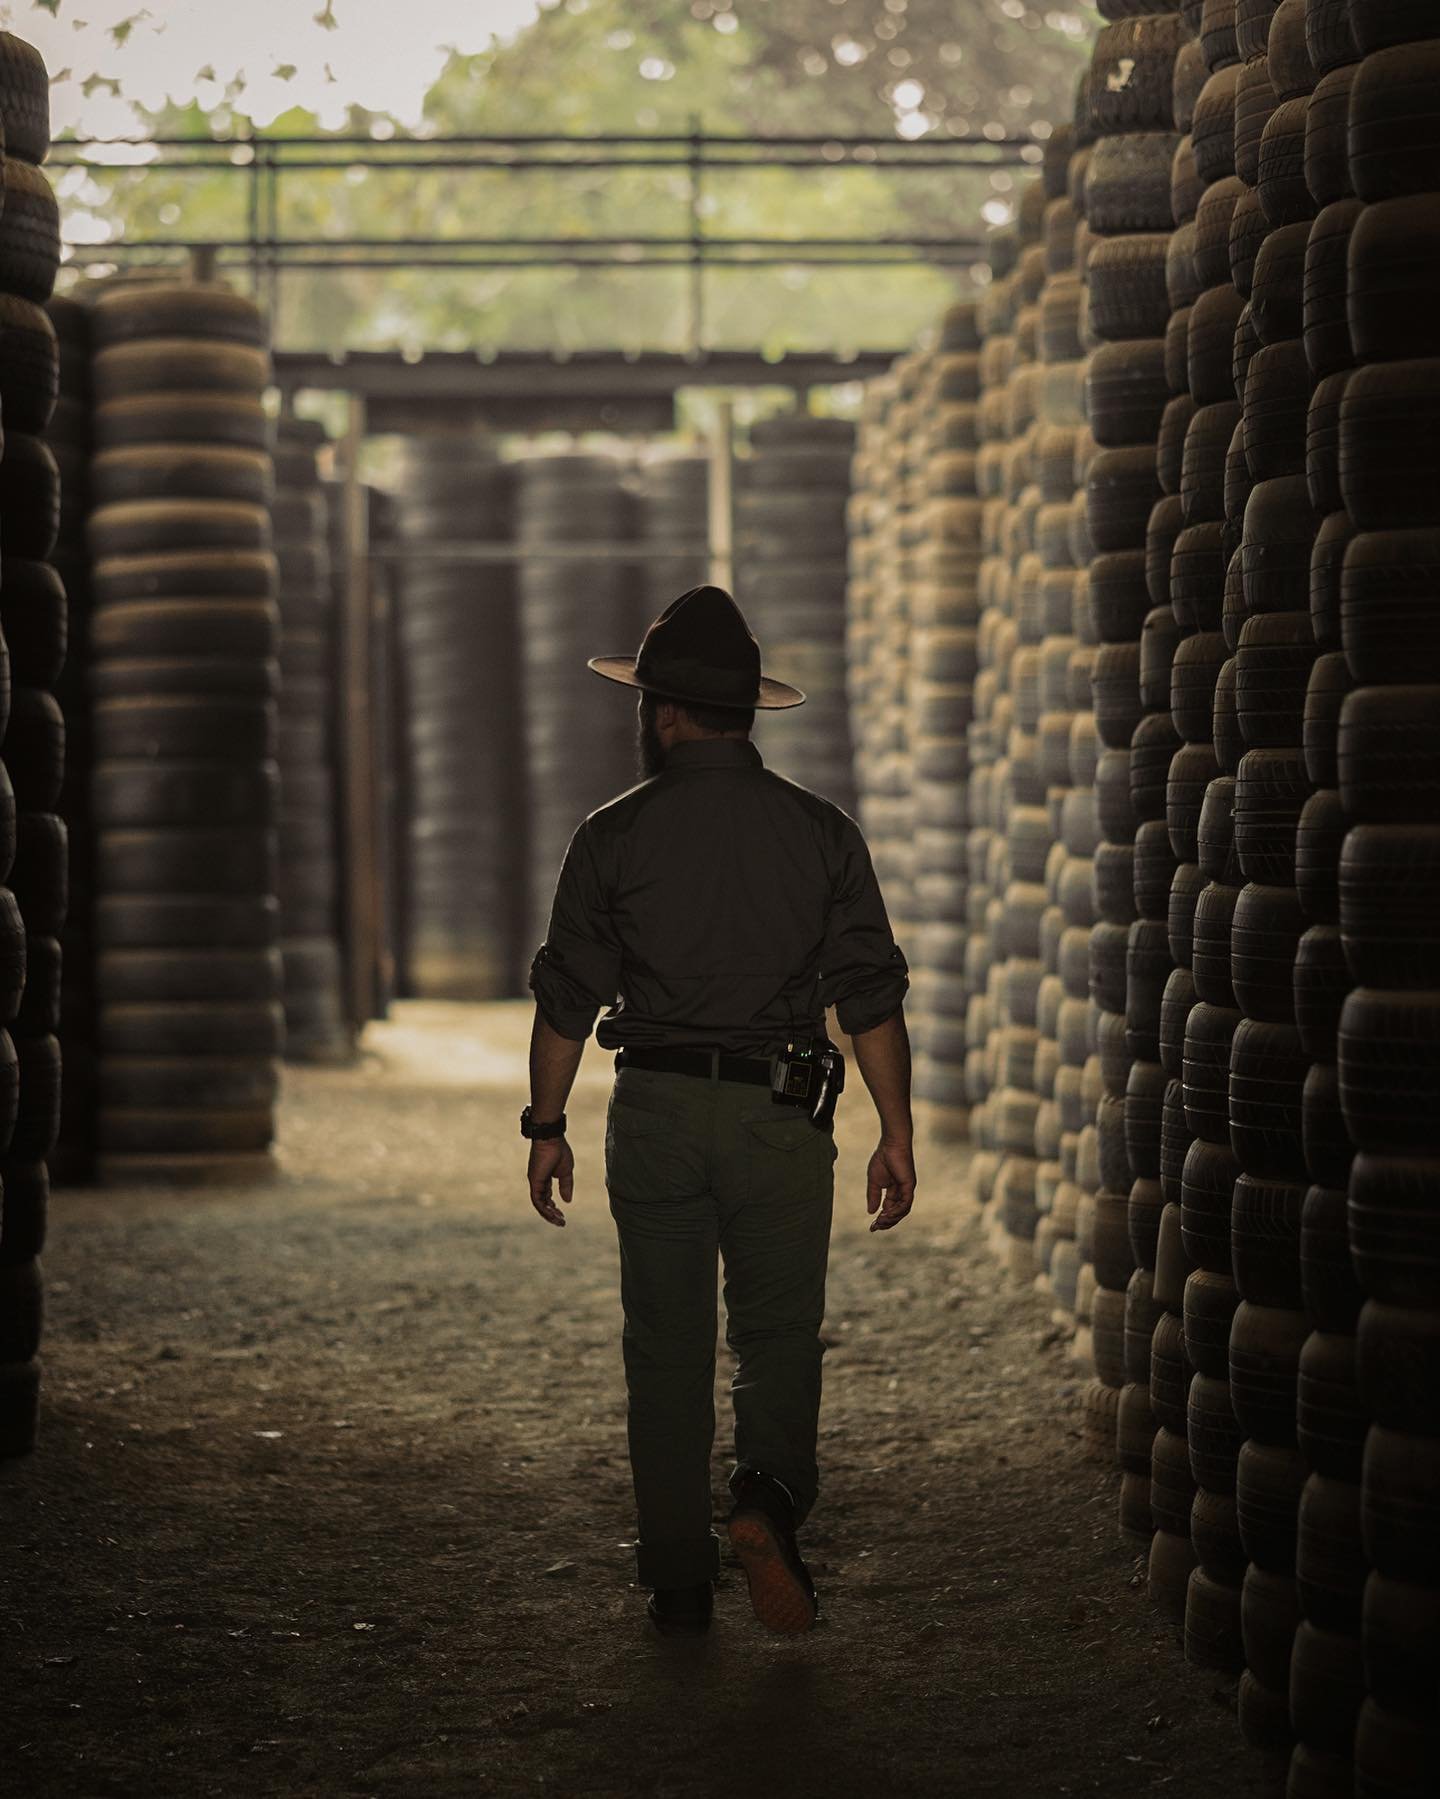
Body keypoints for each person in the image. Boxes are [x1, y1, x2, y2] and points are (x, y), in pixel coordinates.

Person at [522, 582, 916, 1639]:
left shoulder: (610, 835)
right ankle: (764, 1500)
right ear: (748, 711)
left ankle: (678, 1581)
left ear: (661, 714)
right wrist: (898, 1132)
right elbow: (868, 995)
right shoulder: (823, 834)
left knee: (664, 1346)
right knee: (779, 1336)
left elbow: (567, 996)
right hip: (781, 1116)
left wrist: (545, 1125)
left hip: (652, 1109)